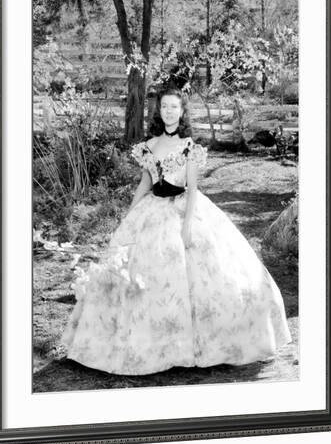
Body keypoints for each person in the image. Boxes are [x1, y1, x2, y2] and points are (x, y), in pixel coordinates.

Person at [60, 89, 292, 376]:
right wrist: (129, 215)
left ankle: (208, 343)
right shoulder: (149, 145)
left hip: (183, 210)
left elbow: (193, 189)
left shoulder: (189, 146)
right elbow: (146, 183)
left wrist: (186, 227)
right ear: (160, 111)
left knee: (206, 275)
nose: (169, 111)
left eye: (174, 107)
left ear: (182, 112)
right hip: (152, 209)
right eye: (165, 107)